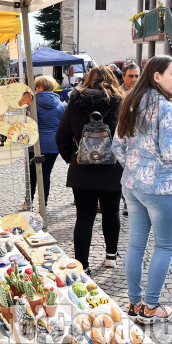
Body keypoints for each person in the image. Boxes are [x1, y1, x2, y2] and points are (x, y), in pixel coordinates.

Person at [112, 55, 172, 324]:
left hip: (132, 185)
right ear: (157, 76)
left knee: (135, 244)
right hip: (158, 187)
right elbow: (170, 152)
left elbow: (117, 146)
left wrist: (135, 166)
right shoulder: (164, 108)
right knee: (164, 246)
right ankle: (151, 306)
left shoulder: (131, 101)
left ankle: (134, 304)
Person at [56, 65, 124, 275]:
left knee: (84, 217)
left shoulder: (75, 103)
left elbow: (61, 136)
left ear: (87, 79)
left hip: (82, 170)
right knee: (111, 213)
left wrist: (74, 158)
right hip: (112, 168)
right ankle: (111, 256)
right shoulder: (121, 103)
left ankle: (82, 265)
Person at [24, 75, 65, 210]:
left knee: (32, 174)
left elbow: (28, 124)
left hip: (36, 143)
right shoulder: (60, 104)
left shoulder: (32, 103)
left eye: (35, 87)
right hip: (53, 145)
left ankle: (28, 202)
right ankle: (43, 204)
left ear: (40, 87)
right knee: (45, 174)